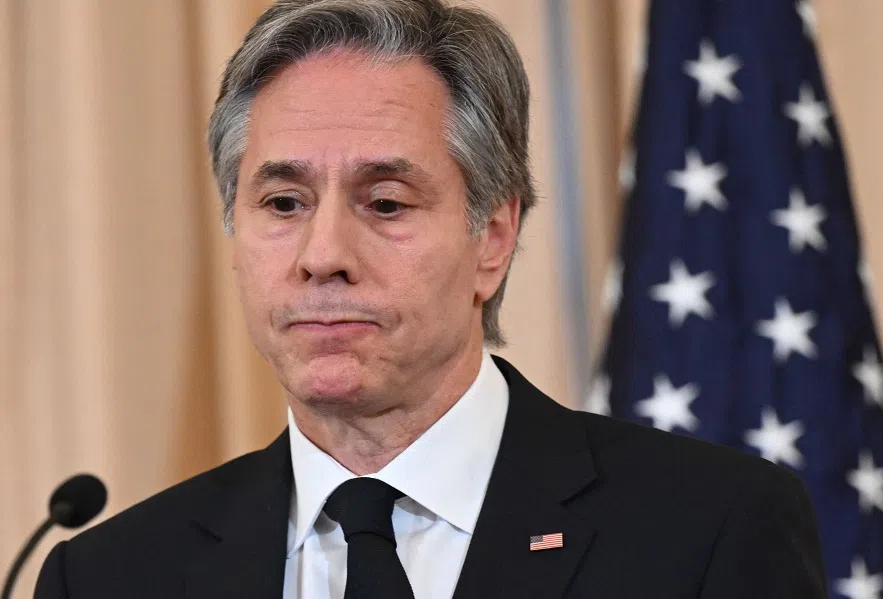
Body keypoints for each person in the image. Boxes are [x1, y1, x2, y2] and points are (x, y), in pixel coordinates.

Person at [35, 0, 827, 597]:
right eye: (283, 204)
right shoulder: (109, 577)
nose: (323, 257)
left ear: (492, 235)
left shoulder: (708, 529)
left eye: (385, 202)